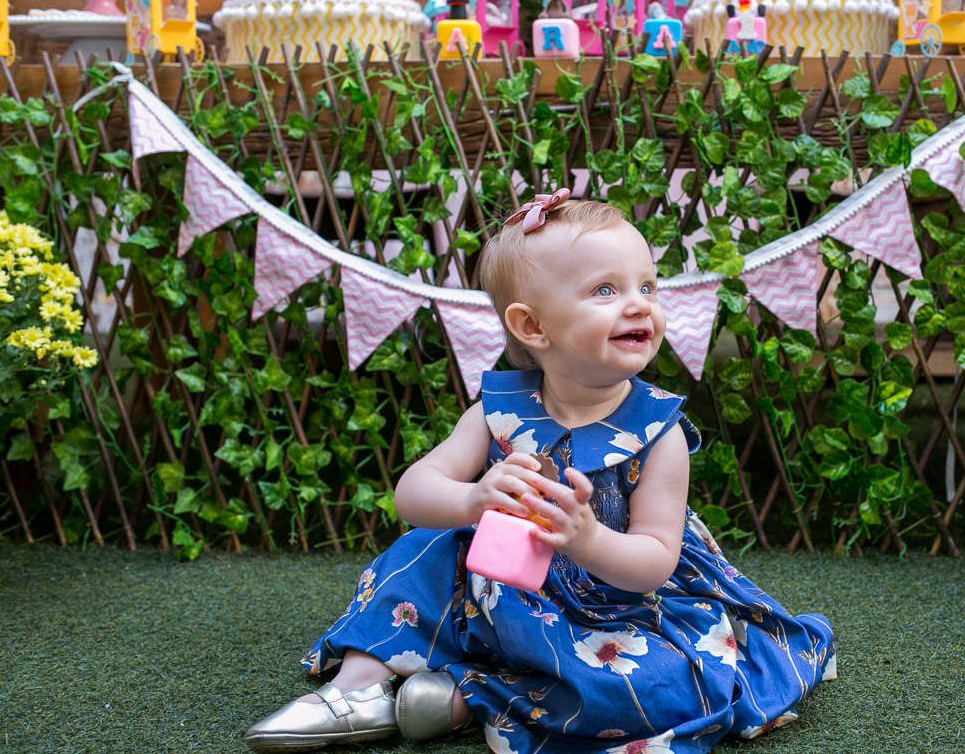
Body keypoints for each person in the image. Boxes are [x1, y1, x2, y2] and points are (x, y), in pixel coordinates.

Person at [244, 193, 836, 754]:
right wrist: (474, 499)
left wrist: (587, 538)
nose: (640, 304)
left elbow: (655, 560)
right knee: (422, 550)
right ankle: (359, 687)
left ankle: (471, 696)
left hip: (621, 610)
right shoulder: (499, 410)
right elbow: (413, 492)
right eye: (606, 289)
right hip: (499, 588)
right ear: (532, 327)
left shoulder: (659, 433)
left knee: (669, 682)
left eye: (647, 286)